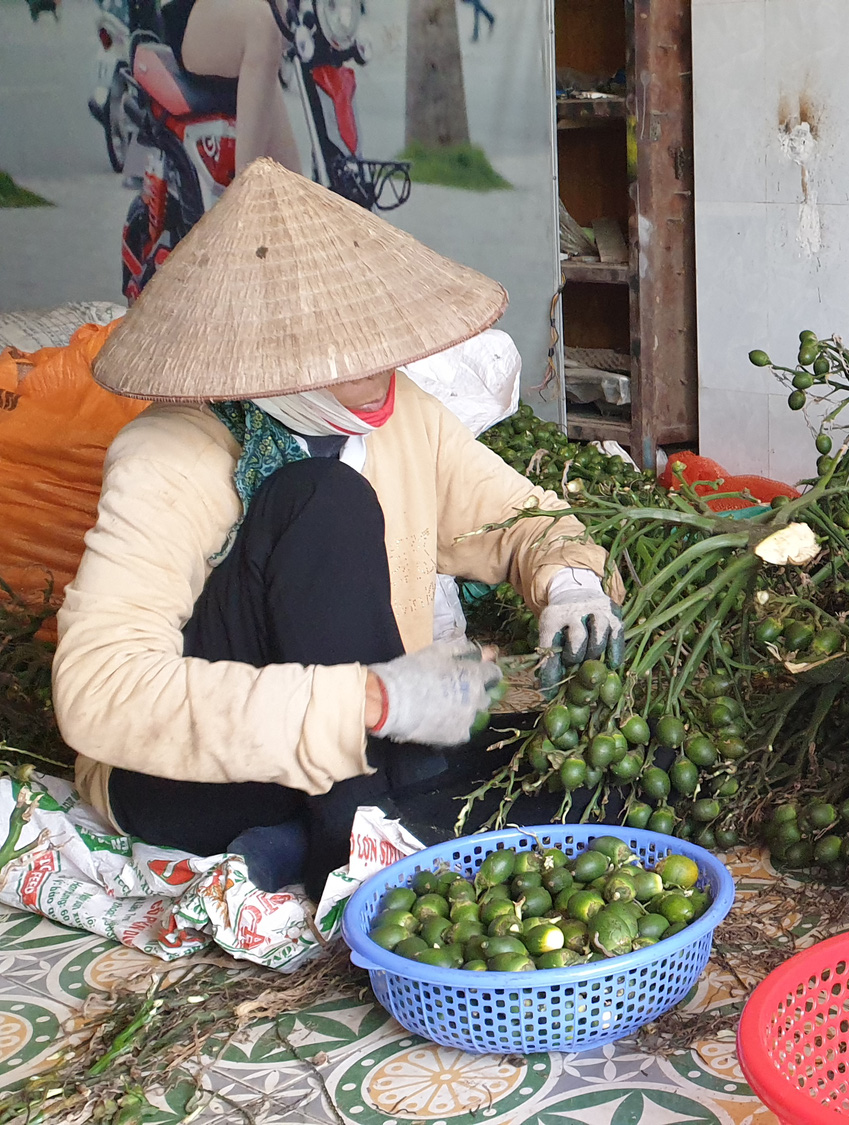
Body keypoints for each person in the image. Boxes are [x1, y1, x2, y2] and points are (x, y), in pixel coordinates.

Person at [54, 159, 621, 894]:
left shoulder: (402, 416)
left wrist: (571, 581)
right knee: (324, 500)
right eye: (351, 352)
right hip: (192, 772)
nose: (383, 368)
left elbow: (522, 519)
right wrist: (374, 699)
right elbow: (101, 691)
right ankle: (352, 838)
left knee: (613, 779)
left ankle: (309, 840)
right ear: (274, 357)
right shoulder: (171, 454)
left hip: (368, 748)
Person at [162, 0, 300, 172]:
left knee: (290, 187)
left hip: (258, 41)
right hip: (194, 18)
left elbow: (285, 33)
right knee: (261, 25)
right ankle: (245, 188)